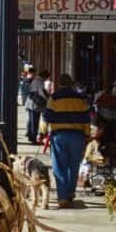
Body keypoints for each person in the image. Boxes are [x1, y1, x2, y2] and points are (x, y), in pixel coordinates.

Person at [44, 73, 91, 208]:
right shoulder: (81, 99)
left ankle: (63, 197)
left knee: (59, 166)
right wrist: (87, 135)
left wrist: (42, 133)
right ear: (71, 83)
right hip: (77, 135)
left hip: (59, 135)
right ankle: (70, 193)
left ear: (59, 84)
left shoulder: (54, 98)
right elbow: (86, 118)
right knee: (74, 166)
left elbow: (47, 117)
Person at [24, 68, 49, 144]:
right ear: (44, 77)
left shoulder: (36, 79)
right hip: (35, 104)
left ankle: (31, 136)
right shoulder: (39, 81)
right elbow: (41, 92)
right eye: (46, 78)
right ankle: (33, 139)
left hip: (30, 102)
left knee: (31, 120)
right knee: (35, 121)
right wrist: (47, 99)